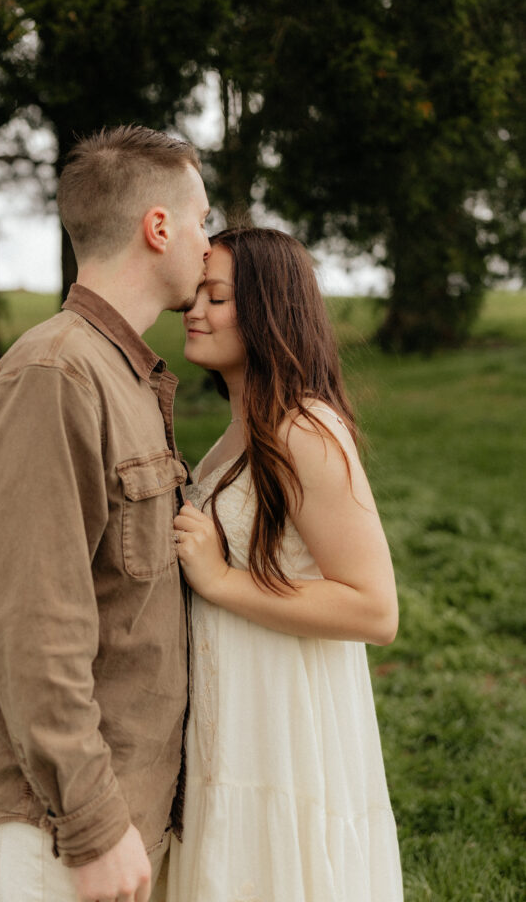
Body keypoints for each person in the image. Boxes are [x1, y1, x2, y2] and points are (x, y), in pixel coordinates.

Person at [0, 125, 211, 902]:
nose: (208, 244)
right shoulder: (56, 375)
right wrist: (90, 821)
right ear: (158, 228)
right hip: (52, 818)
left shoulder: (118, 371)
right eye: (202, 222)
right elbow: (35, 619)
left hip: (115, 800)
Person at [167, 227, 404, 902]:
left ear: (268, 309)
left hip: (281, 721)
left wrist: (219, 579)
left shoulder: (304, 429)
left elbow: (373, 608)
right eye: (193, 294)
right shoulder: (238, 429)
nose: (193, 310)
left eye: (215, 296)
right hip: (232, 714)